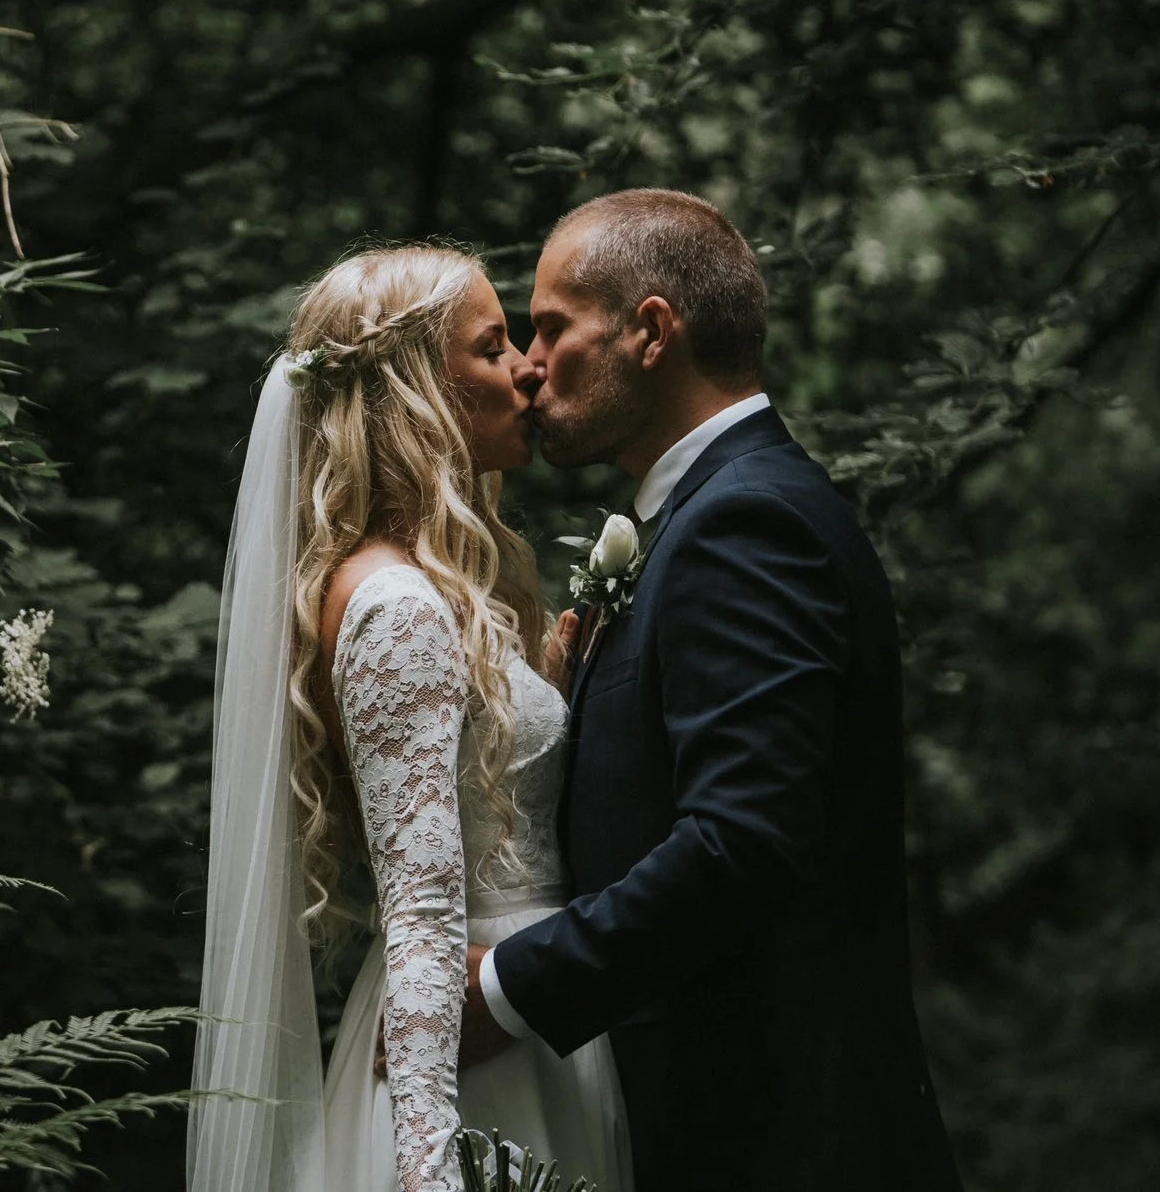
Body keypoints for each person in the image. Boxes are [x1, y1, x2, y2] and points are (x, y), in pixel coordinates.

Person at [469, 189, 961, 1192]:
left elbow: (741, 838)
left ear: (649, 331)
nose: (527, 361)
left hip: (781, 1134)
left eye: (552, 327)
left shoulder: (746, 524)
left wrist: (506, 990)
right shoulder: (717, 513)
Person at [190, 244, 634, 1192]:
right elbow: (425, 906)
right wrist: (429, 1164)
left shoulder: (426, 583)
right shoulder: (397, 605)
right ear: (413, 388)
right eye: (491, 345)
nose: (528, 363)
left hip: (519, 1026)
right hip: (472, 1058)